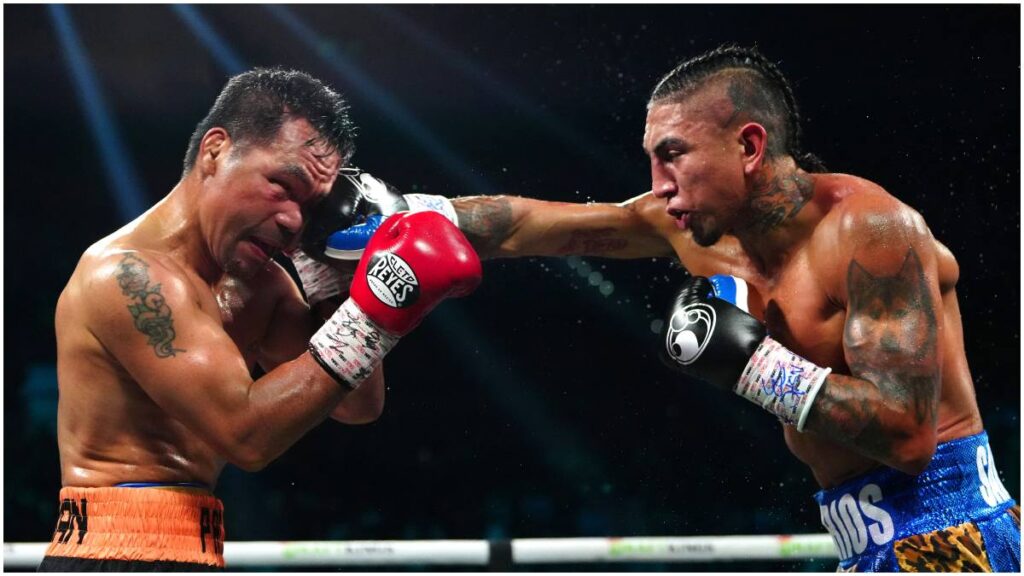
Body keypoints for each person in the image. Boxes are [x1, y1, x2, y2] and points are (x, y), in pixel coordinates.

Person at [323, 45, 1019, 572]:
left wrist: (752, 364)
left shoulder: (871, 231)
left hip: (953, 536)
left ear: (749, 146)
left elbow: (906, 435)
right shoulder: (691, 227)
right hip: (857, 538)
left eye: (674, 156)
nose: (658, 187)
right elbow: (534, 225)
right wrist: (404, 211)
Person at [46, 67, 481, 571]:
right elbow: (245, 436)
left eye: (311, 206)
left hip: (196, 550)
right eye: (282, 185)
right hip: (109, 554)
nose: (296, 220)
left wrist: (334, 278)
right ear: (215, 151)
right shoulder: (124, 276)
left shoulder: (260, 285)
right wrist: (373, 313)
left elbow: (358, 404)